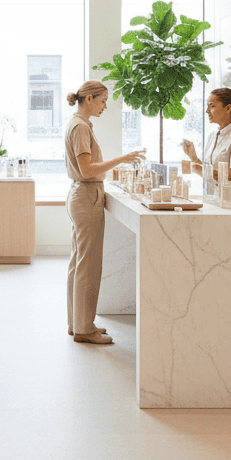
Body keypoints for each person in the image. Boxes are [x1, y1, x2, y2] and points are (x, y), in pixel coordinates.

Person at [63, 80, 145, 345]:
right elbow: (87, 169)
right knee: (88, 263)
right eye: (102, 101)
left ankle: (78, 323)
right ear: (89, 99)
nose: (104, 106)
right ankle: (84, 329)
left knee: (79, 262)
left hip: (81, 195)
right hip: (86, 196)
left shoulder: (78, 124)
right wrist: (122, 159)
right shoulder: (80, 127)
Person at [183, 87, 231, 209]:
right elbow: (211, 172)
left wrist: (197, 168)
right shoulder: (212, 136)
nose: (207, 111)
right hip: (214, 199)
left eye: (212, 106)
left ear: (228, 108)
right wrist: (194, 158)